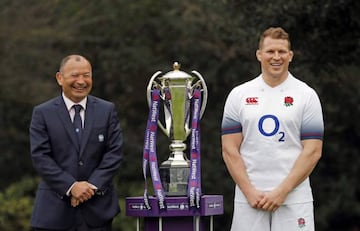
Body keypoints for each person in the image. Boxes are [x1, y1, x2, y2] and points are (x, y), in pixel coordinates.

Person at [221, 27, 324, 231]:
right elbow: (229, 150)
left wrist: (282, 191)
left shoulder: (307, 95)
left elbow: (313, 152)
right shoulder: (238, 95)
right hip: (250, 200)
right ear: (259, 55)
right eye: (270, 51)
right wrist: (249, 191)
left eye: (282, 52)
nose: (276, 57)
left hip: (294, 200)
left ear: (290, 56)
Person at [29, 54, 123, 231]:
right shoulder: (42, 113)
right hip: (53, 214)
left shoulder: (107, 110)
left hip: (98, 214)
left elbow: (114, 153)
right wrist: (71, 187)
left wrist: (90, 187)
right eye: (74, 75)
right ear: (59, 78)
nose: (81, 81)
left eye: (86, 75)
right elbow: (40, 157)